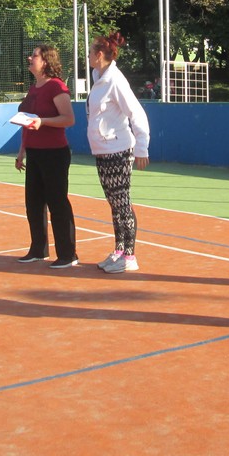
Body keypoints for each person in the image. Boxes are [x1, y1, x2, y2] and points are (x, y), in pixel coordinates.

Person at [87, 31, 150, 274]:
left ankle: (130, 256)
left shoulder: (115, 80)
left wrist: (142, 147)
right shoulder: (98, 78)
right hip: (103, 151)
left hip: (119, 151)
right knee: (114, 204)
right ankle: (119, 250)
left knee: (122, 204)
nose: (88, 56)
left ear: (99, 55)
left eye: (90, 52)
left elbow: (136, 112)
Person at [14, 44, 78, 268]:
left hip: (54, 154)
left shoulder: (56, 86)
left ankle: (68, 254)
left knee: (57, 203)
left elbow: (68, 119)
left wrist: (43, 122)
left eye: (34, 55)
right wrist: (22, 151)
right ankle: (38, 250)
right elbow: (27, 120)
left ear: (46, 61)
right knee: (33, 203)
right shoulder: (34, 88)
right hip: (34, 153)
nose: (29, 58)